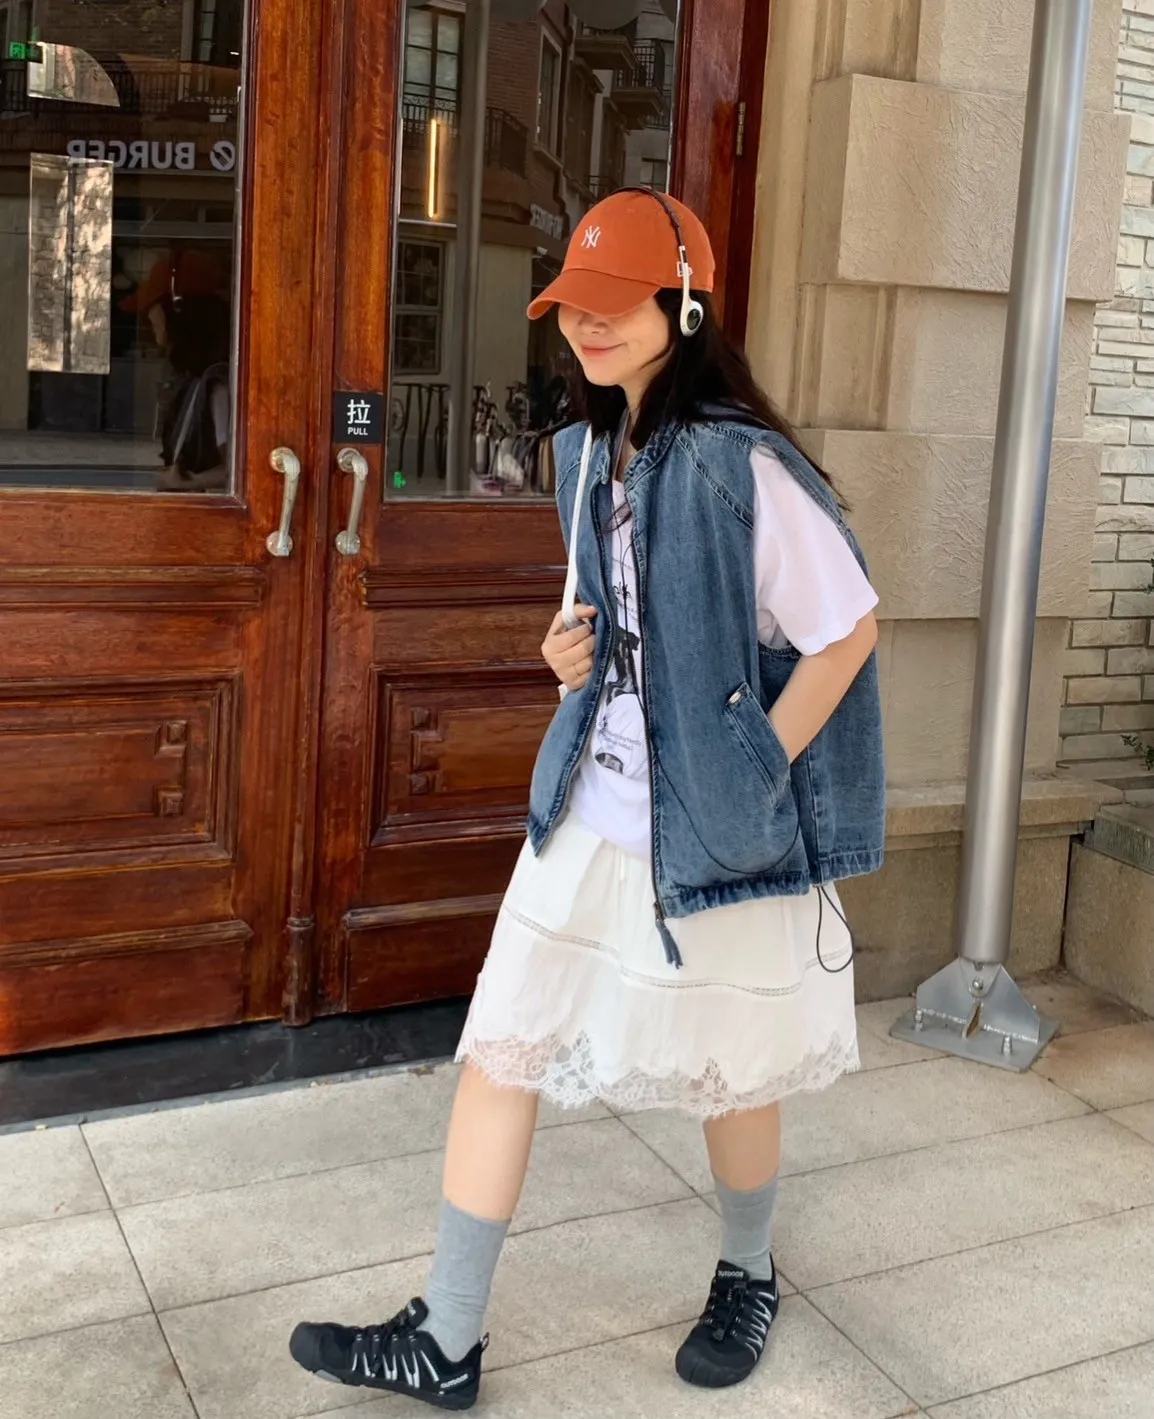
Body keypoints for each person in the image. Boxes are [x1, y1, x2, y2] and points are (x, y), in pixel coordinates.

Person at [288, 188, 885, 1409]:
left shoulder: (738, 465)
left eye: (616, 306)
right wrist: (572, 654)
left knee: (729, 1069)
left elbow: (845, 632)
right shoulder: (584, 452)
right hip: (587, 805)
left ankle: (747, 1270)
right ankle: (447, 1336)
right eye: (573, 307)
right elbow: (618, 624)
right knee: (501, 1042)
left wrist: (755, 760)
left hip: (712, 824)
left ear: (684, 308)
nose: (588, 327)